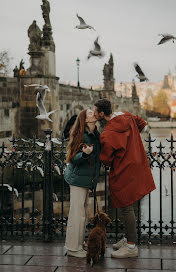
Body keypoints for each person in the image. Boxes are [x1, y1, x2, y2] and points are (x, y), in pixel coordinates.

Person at [94, 98, 156, 259]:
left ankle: (131, 246)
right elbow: (142, 124)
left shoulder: (107, 134)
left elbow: (106, 159)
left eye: (96, 111)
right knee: (129, 206)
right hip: (137, 166)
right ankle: (129, 238)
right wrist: (132, 141)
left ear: (102, 114)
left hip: (123, 170)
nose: (94, 114)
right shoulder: (127, 116)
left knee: (126, 208)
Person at [64, 109, 100, 258]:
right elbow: (72, 158)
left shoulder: (96, 134)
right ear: (85, 120)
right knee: (76, 214)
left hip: (86, 179)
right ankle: (73, 248)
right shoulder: (81, 134)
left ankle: (79, 243)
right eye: (90, 113)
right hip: (78, 178)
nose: (94, 114)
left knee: (83, 213)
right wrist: (84, 154)